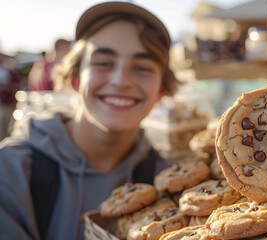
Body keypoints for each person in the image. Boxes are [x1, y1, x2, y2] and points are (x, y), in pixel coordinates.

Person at [0, 2, 178, 240]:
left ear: (161, 90)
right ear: (75, 78)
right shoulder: (11, 173)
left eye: (143, 67)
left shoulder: (168, 181)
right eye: (103, 63)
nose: (120, 80)